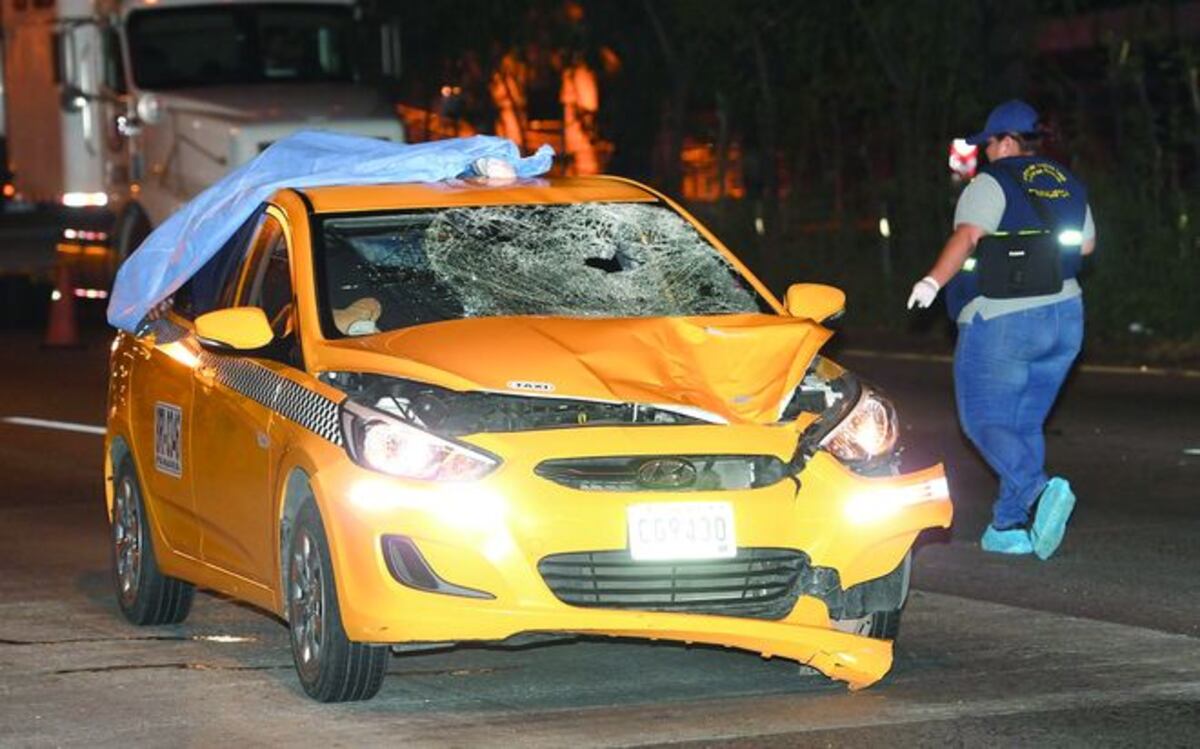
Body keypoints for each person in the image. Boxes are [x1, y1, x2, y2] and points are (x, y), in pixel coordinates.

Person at [906, 99, 1096, 559]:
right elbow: (1087, 246)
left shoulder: (991, 181)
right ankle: (1008, 526)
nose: (984, 153)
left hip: (1003, 319)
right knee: (1023, 421)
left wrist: (932, 281)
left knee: (983, 420)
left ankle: (1038, 489)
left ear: (1008, 141)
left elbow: (967, 236)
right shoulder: (1064, 180)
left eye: (988, 144)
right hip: (1066, 315)